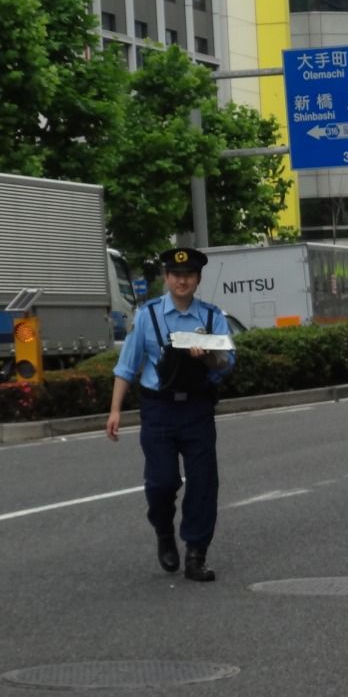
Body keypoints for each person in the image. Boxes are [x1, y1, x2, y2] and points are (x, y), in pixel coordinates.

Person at [106, 247, 236, 582]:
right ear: (166, 278)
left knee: (204, 483)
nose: (182, 280)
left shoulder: (211, 317)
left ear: (198, 279)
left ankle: (196, 553)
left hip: (197, 408)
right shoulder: (147, 316)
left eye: (189, 275)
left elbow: (228, 364)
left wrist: (208, 356)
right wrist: (115, 410)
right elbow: (127, 366)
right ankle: (164, 529)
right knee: (162, 481)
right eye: (176, 275)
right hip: (159, 410)